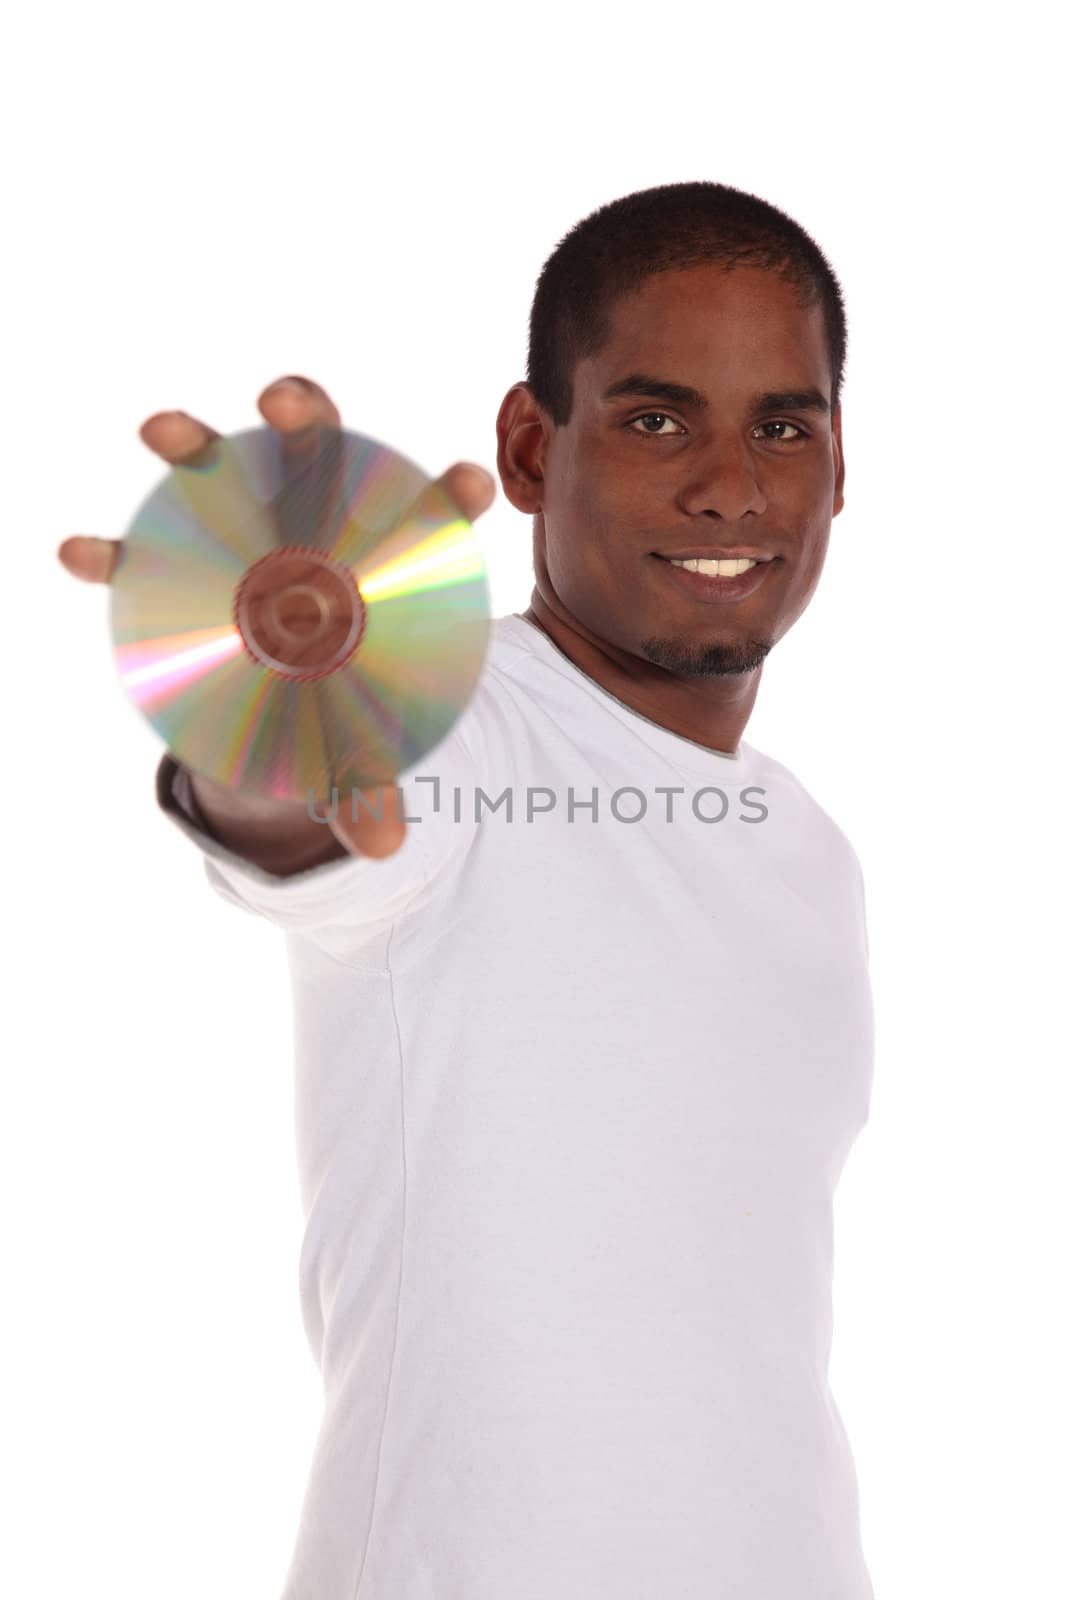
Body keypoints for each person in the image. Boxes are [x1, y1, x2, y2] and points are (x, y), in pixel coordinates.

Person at [58, 180, 877, 1599]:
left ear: (840, 460)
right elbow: (320, 807)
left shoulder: (812, 853)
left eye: (783, 426)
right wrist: (275, 681)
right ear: (529, 446)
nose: (730, 485)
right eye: (657, 416)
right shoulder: (456, 718)